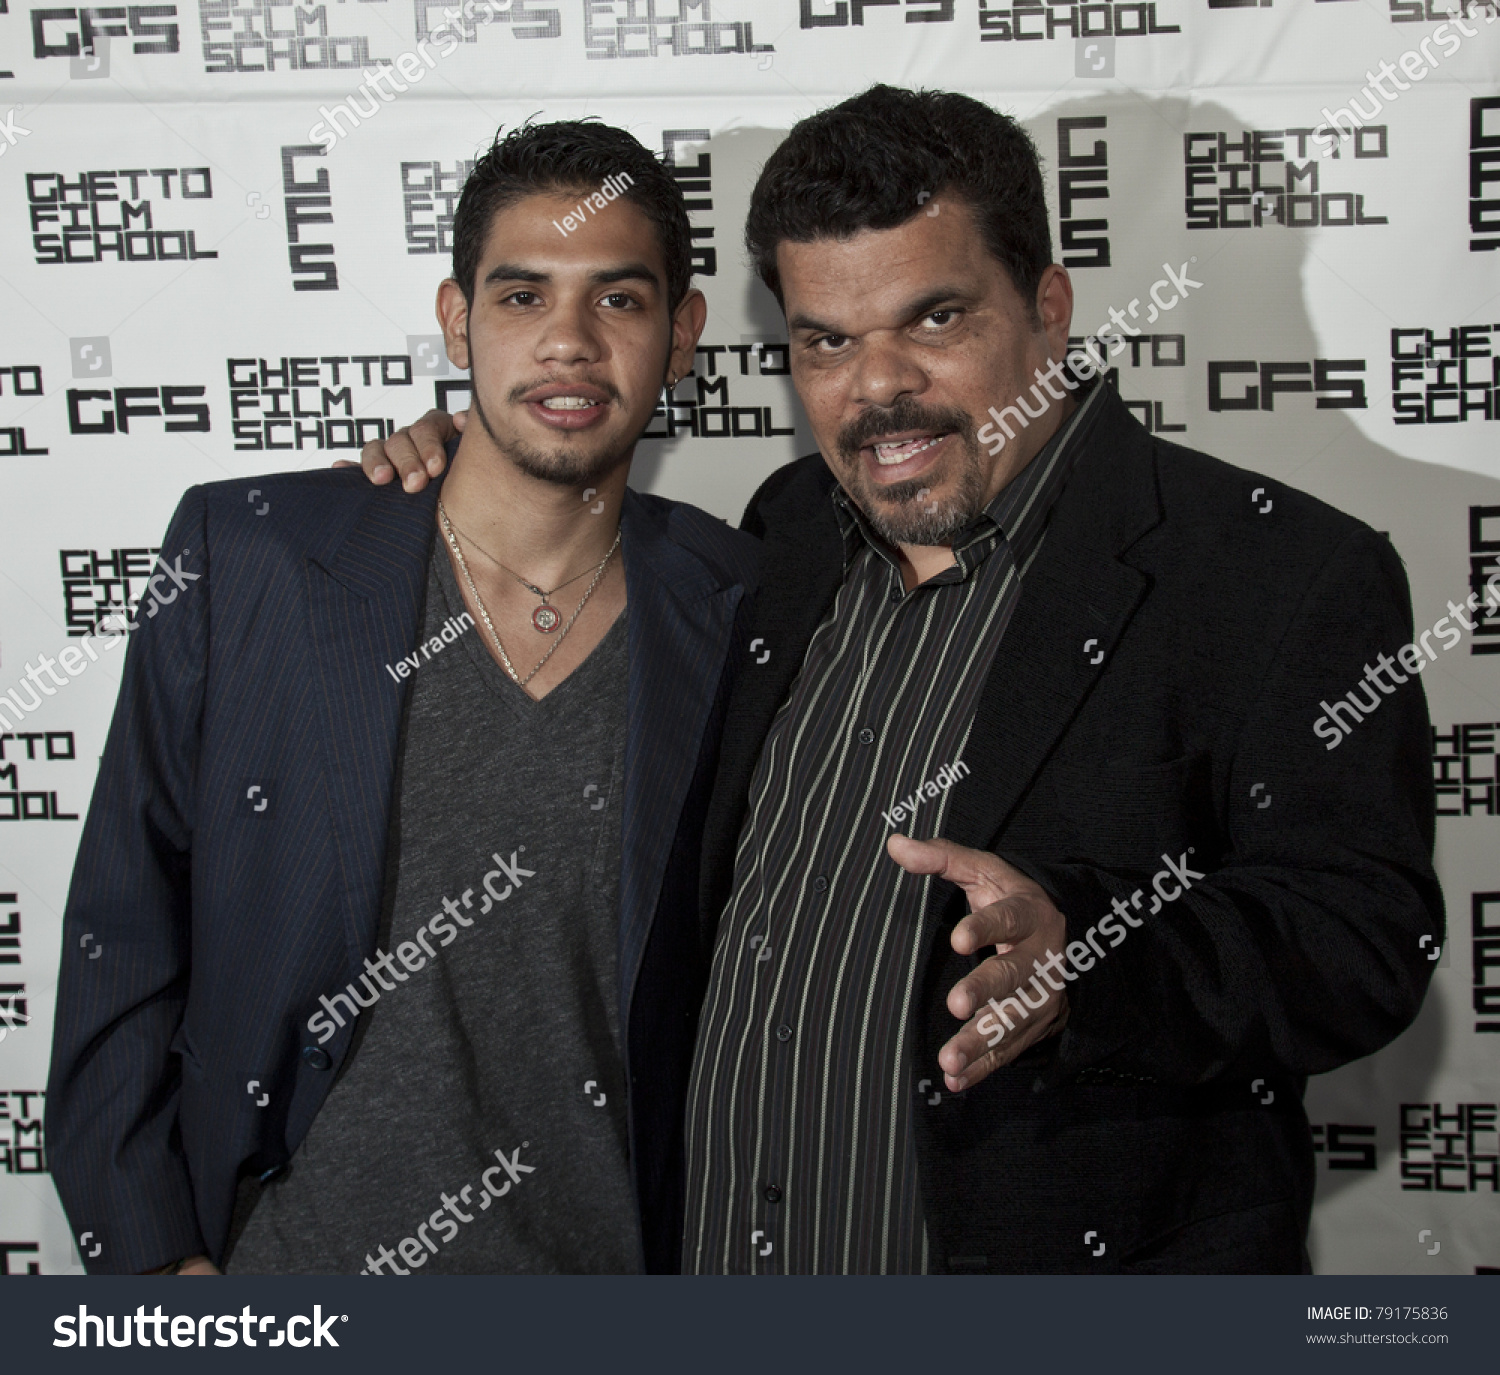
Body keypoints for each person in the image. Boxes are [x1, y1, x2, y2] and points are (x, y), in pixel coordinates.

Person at [360, 86, 1443, 1273]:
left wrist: (1089, 960)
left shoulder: (1275, 571)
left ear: (1048, 306)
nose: (877, 387)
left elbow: (1363, 938)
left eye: (934, 319)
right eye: (825, 338)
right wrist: (480, 468)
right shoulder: (781, 536)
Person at [45, 120, 759, 1276]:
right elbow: (123, 926)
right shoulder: (254, 558)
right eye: (522, 297)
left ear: (682, 334)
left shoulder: (744, 605)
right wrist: (152, 1275)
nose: (567, 344)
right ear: (456, 317)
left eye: (618, 301)